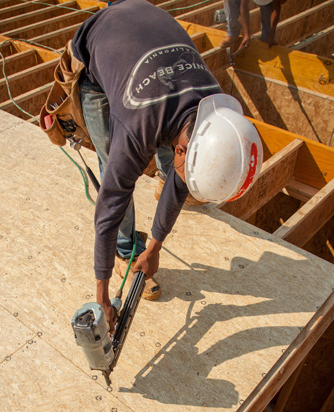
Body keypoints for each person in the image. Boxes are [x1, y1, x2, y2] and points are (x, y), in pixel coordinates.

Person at [72, 0, 262, 330]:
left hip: (146, 26)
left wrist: (156, 247)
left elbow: (180, 177)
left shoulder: (215, 113)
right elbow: (108, 210)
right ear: (181, 149)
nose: (183, 177)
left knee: (169, 155)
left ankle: (142, 247)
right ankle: (125, 250)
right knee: (109, 159)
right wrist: (101, 296)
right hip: (99, 46)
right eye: (184, 166)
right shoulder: (137, 125)